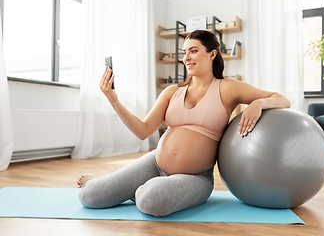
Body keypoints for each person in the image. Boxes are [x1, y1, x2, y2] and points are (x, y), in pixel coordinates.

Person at [76, 30, 291, 216]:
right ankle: (119, 185)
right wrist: (113, 100)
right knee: (90, 196)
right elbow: (143, 131)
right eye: (184, 52)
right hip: (155, 164)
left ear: (212, 54)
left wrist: (259, 103)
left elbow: (282, 99)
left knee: (151, 200)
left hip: (195, 178)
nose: (186, 57)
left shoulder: (227, 88)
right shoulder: (172, 92)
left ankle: (131, 188)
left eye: (193, 51)